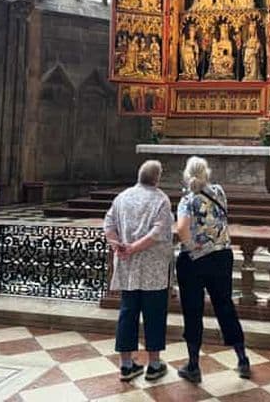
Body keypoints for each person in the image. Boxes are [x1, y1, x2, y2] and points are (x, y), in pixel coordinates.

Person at [175, 156, 250, 383]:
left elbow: (181, 228)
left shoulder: (187, 200)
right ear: (207, 172)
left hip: (195, 261)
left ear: (187, 175)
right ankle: (242, 358)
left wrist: (192, 248)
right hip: (221, 256)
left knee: (193, 310)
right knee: (225, 306)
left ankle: (193, 365)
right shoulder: (218, 191)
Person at [104, 160, 174, 382]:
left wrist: (119, 246)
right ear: (157, 178)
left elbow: (108, 224)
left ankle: (126, 365)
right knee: (154, 315)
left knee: (127, 313)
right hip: (153, 268)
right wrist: (133, 248)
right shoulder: (160, 199)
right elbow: (158, 232)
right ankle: (153, 365)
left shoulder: (122, 197)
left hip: (128, 266)